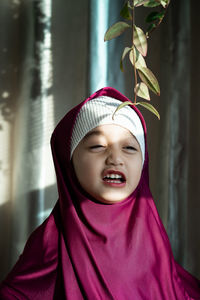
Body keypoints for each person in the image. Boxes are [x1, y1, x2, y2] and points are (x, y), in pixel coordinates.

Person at [0, 87, 200, 299]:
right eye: (97, 146)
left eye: (130, 148)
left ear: (143, 162)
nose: (115, 158)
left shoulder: (153, 239)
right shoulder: (50, 245)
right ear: (69, 161)